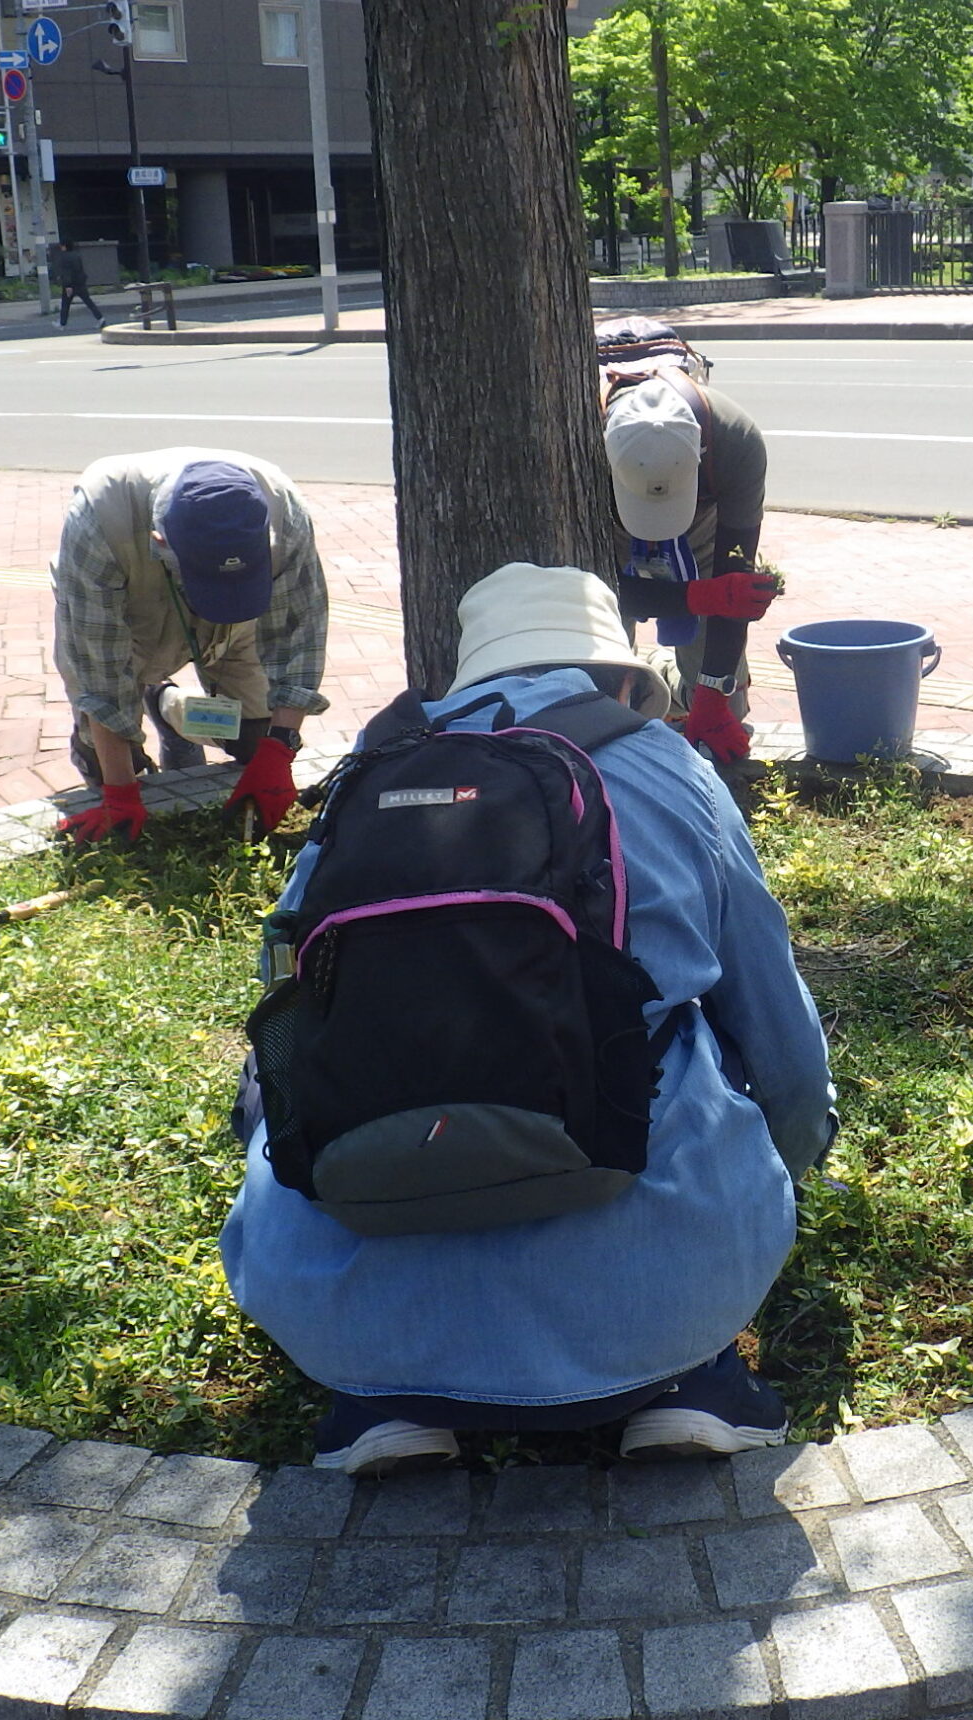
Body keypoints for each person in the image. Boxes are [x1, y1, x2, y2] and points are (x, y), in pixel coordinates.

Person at [220, 562, 836, 1477]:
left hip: (348, 1308)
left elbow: (284, 990)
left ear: (469, 679)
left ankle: (384, 1398)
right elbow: (770, 1013)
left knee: (279, 1070)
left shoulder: (370, 776)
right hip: (656, 1305)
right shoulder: (672, 769)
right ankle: (686, 1381)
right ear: (622, 683)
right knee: (694, 1023)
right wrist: (794, 1154)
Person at [51, 448, 329, 844]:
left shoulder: (284, 513)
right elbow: (101, 679)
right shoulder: (98, 523)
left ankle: (166, 704)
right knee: (108, 759)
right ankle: (131, 730)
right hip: (132, 615)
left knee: (254, 739)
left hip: (240, 625)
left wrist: (280, 750)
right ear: (160, 542)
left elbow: (300, 635)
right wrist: (120, 794)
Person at [597, 318, 781, 766]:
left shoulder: (734, 441)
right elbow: (594, 589)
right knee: (601, 701)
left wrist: (714, 695)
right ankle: (635, 681)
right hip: (604, 521)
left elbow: (733, 569)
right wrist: (698, 596)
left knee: (725, 702)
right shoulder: (569, 447)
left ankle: (662, 679)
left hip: (700, 519)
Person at [52, 241, 103, 327]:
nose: (61, 248)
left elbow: (67, 272)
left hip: (70, 285)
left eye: (62, 246)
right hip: (80, 283)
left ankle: (62, 323)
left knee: (65, 304)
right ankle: (100, 318)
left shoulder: (65, 257)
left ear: (65, 247)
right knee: (88, 301)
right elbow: (80, 269)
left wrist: (67, 285)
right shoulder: (77, 255)